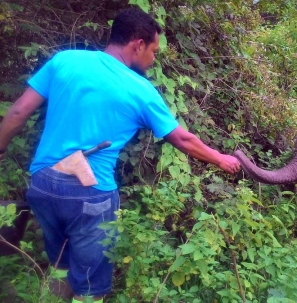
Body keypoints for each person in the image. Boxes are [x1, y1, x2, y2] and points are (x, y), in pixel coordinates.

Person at [0, 7, 240, 302]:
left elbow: (18, 111)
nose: (153, 60)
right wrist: (220, 158)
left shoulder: (65, 60)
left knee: (60, 263)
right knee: (90, 286)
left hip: (42, 185)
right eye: (153, 51)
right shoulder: (141, 90)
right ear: (137, 44)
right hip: (90, 194)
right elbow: (182, 139)